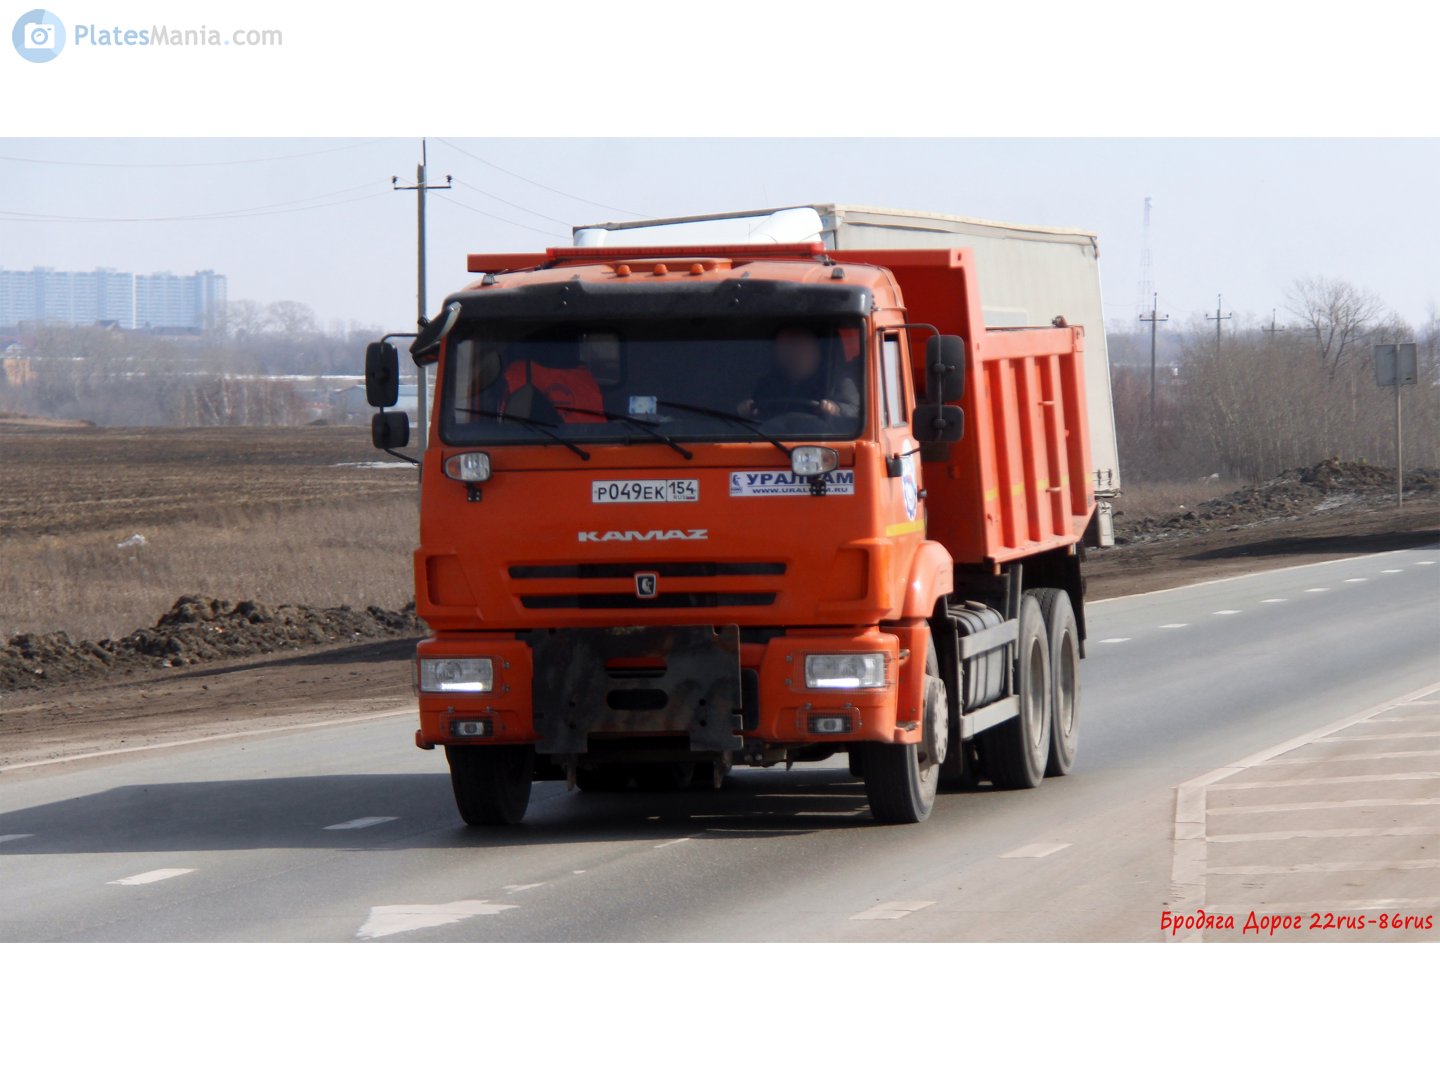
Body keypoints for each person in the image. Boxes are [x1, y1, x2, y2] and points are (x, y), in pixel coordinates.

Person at [739, 326, 859, 422]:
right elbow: (753, 417)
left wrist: (836, 409)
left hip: (823, 446)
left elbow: (856, 413)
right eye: (786, 348)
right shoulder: (768, 385)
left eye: (802, 348)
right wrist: (746, 410)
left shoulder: (838, 382)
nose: (794, 355)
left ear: (819, 352)